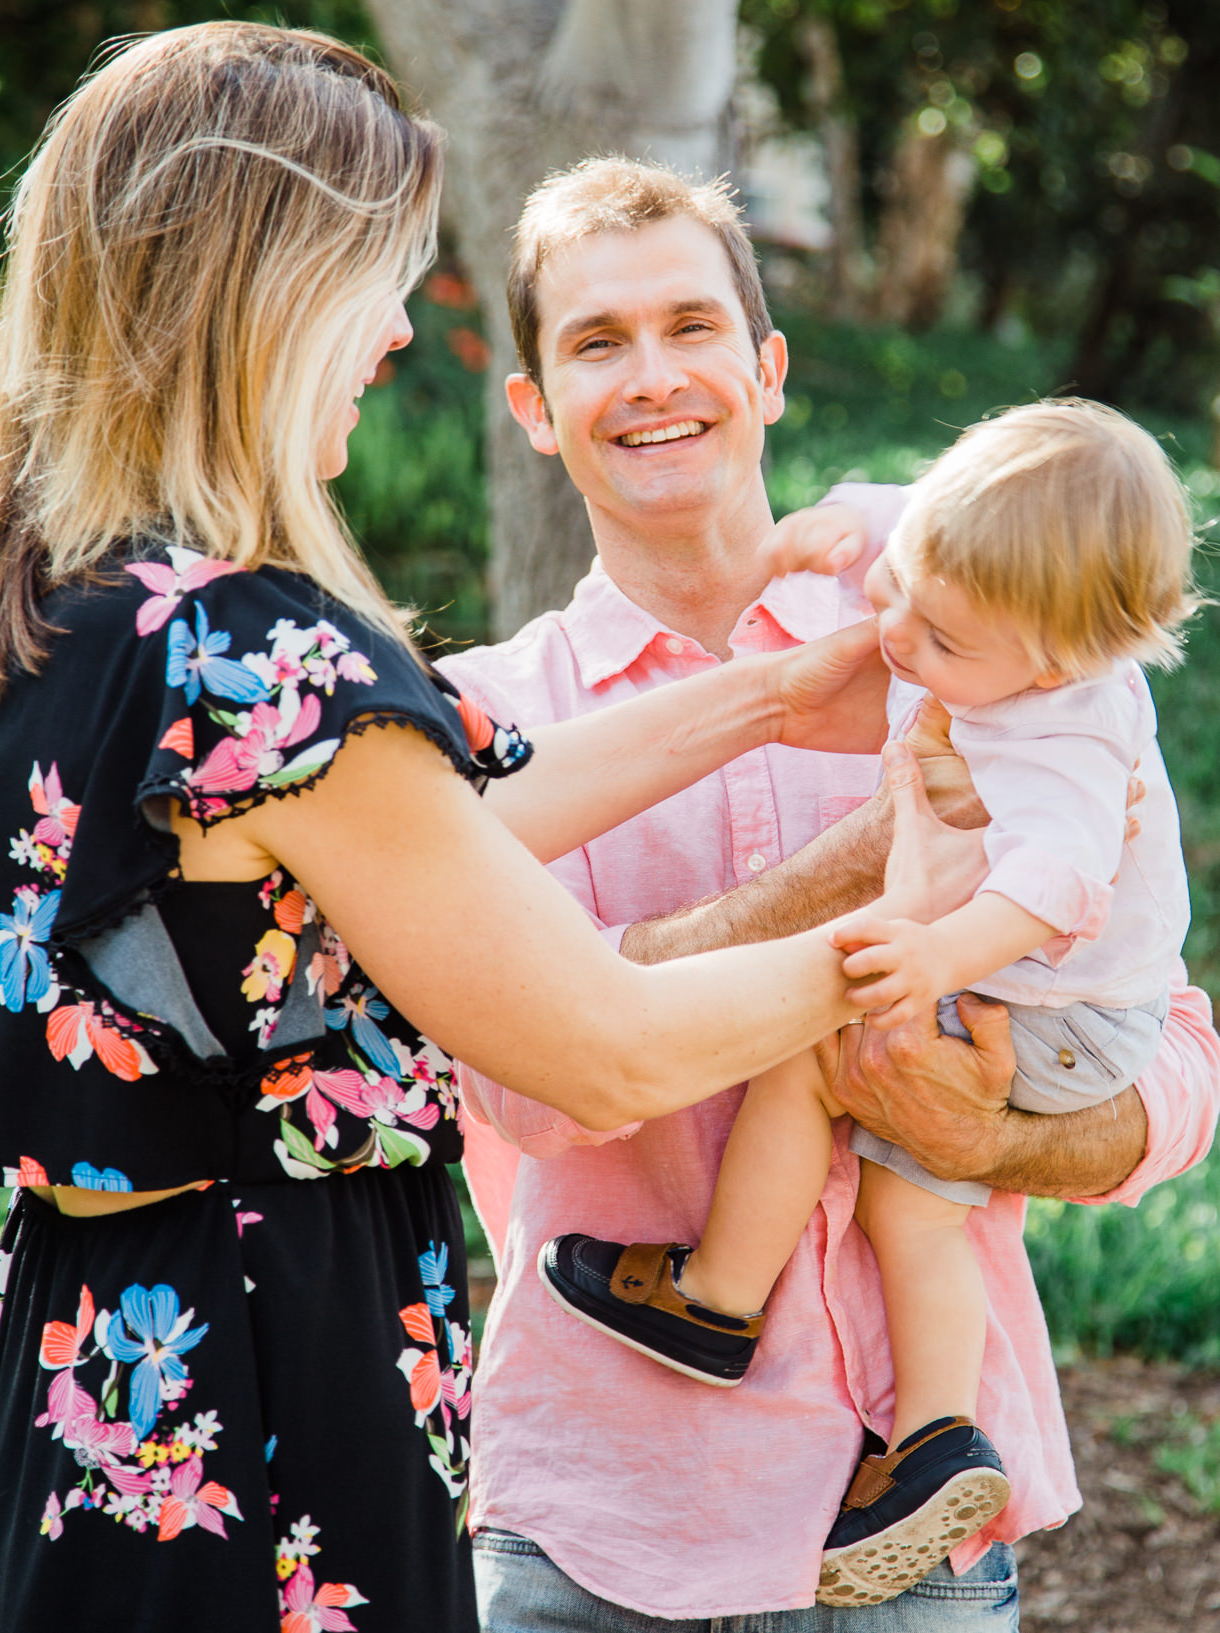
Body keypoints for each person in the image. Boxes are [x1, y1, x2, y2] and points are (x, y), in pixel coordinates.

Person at [0, 31, 942, 1633]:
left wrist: (781, 694)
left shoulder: (71, 601)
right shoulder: (251, 645)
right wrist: (935, 919)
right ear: (271, 296)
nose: (387, 338)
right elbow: (613, 1051)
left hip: (96, 1345)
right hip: (271, 1367)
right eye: (379, 285)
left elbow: (449, 817)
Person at [436, 156, 1220, 1631]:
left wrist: (992, 1134)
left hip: (905, 1528)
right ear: (532, 406)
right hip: (598, 1525)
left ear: (768, 368)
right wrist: (861, 865)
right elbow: (522, 1088)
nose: (654, 376)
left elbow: (1165, 1038)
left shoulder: (1008, 649)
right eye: (597, 343)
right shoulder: (484, 732)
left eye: (691, 326)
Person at [538, 398, 1195, 1605]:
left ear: (1050, 660)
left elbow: (1053, 888)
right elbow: (896, 526)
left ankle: (716, 1300)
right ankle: (934, 1438)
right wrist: (834, 530)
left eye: (936, 635)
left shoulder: (1066, 731)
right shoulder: (967, 569)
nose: (890, 629)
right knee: (912, 1205)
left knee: (821, 1059)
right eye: (897, 588)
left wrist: (940, 961)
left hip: (1060, 1004)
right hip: (600, 1511)